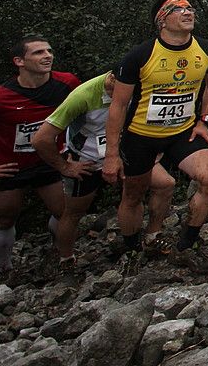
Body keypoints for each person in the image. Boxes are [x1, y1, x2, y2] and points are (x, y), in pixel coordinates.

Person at [104, 0, 208, 273]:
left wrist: (203, 119)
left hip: (183, 131)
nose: (187, 12)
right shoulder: (140, 56)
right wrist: (111, 154)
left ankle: (185, 245)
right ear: (161, 20)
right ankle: (133, 250)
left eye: (190, 8)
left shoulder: (206, 50)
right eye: (177, 9)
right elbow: (119, 105)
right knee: (133, 194)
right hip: (141, 135)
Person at [31, 71, 175, 268]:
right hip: (88, 160)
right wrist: (64, 166)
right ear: (112, 79)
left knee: (162, 185)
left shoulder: (139, 86)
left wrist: (153, 147)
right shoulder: (83, 96)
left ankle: (148, 239)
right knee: (74, 212)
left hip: (125, 152)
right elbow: (40, 139)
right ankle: (66, 260)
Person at [0, 37, 79, 277]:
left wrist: (76, 150)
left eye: (49, 51)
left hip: (50, 161)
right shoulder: (2, 96)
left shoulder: (67, 83)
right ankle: (3, 267)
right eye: (38, 52)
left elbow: (86, 112)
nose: (47, 56)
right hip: (11, 165)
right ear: (19, 61)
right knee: (4, 217)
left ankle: (60, 255)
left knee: (64, 212)